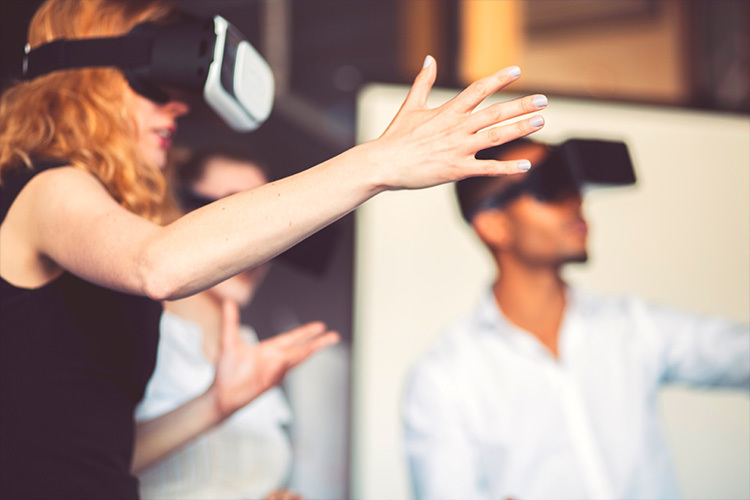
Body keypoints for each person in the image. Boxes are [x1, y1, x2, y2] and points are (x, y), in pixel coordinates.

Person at [0, 1, 547, 498]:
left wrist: (215, 404)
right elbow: (158, 266)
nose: (178, 108)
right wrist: (379, 163)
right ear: (82, 85)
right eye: (153, 88)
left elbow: (94, 457)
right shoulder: (46, 186)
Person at [402, 138, 750, 500]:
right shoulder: (445, 379)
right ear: (493, 225)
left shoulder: (632, 327)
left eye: (574, 185)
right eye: (549, 187)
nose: (575, 202)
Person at [133, 151, 302, 500]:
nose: (254, 244)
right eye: (233, 216)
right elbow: (85, 462)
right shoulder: (136, 335)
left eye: (269, 222)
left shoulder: (254, 350)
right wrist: (213, 404)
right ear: (178, 216)